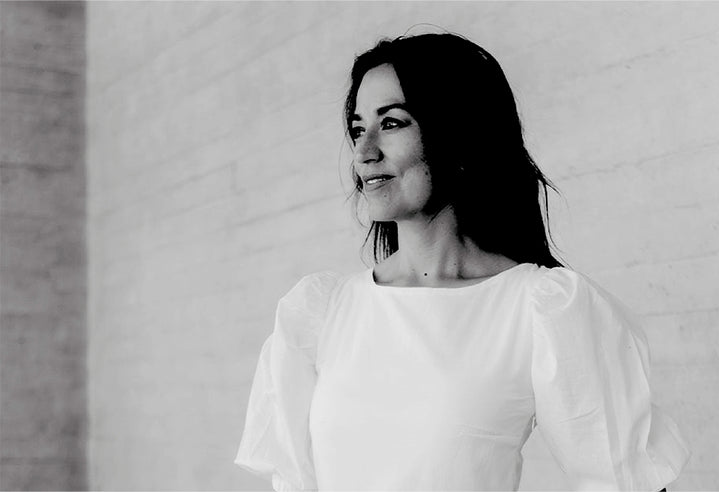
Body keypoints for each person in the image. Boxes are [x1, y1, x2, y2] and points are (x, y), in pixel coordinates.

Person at [234, 31, 690, 491]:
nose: (364, 152)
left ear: (455, 135)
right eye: (357, 129)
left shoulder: (541, 309)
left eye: (391, 123)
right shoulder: (319, 313)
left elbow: (625, 478)